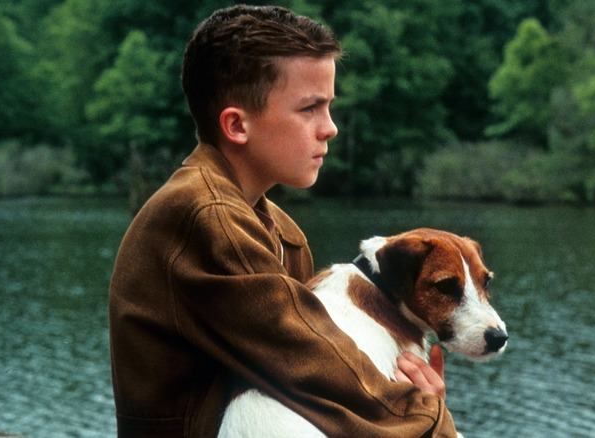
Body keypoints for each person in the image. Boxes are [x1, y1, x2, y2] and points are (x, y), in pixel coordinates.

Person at [108, 5, 458, 437]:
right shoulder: (204, 217)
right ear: (237, 125)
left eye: (329, 107)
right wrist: (430, 420)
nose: (329, 128)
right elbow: (312, 363)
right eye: (310, 108)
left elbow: (304, 390)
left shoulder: (281, 231)